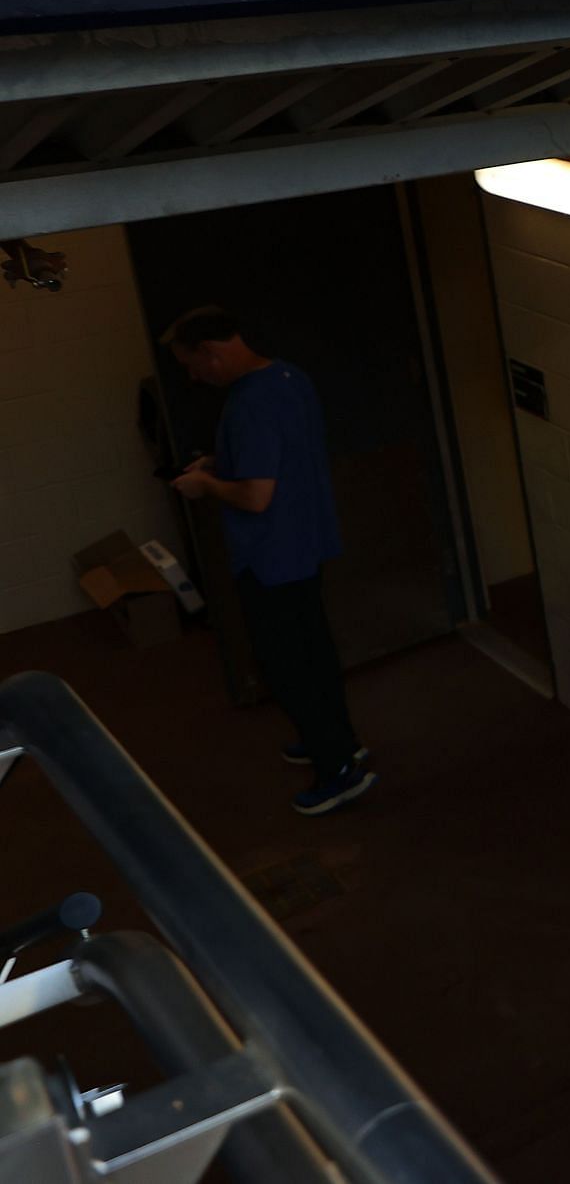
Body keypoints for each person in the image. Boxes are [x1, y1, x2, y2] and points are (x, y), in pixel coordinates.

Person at [163, 307, 375, 816]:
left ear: (212, 353)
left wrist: (205, 485)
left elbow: (257, 497)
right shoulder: (288, 377)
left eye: (192, 365)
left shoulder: (248, 404)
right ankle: (338, 741)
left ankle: (338, 770)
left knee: (289, 667)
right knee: (315, 650)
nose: (193, 376)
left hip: (271, 557)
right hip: (306, 542)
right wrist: (222, 461)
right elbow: (282, 455)